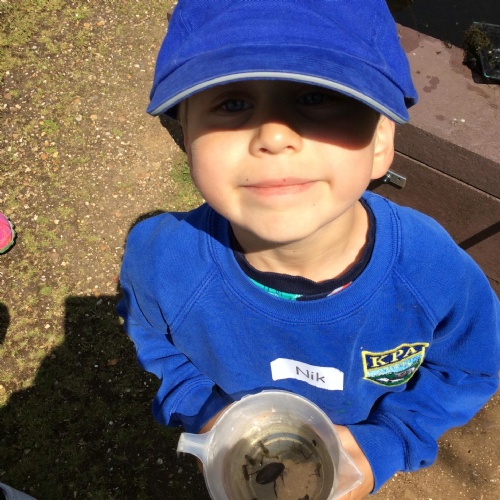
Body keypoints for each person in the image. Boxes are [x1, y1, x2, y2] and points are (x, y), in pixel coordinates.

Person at [117, 0, 500, 497]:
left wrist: (388, 441)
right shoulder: (158, 260)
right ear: (187, 137)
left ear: (381, 142)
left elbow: (470, 367)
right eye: (232, 104)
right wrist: (205, 412)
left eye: (316, 97)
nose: (275, 136)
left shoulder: (435, 271)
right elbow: (152, 339)